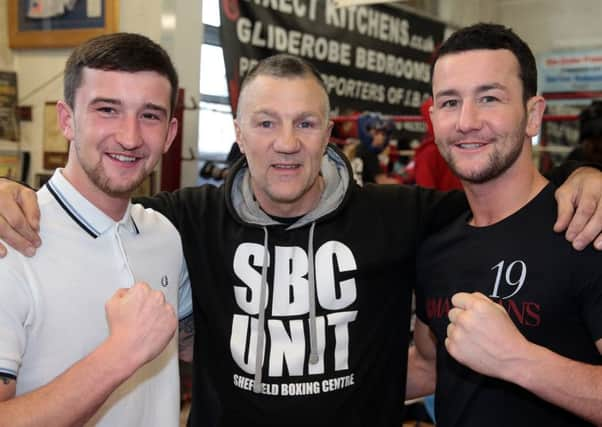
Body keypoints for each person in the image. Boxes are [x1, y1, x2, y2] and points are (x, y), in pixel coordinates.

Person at [0, 54, 601, 427]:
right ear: (238, 133)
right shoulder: (183, 218)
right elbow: (101, 198)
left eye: (305, 123)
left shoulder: (402, 215)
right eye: (265, 123)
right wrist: (13, 189)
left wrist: (586, 178)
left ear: (328, 134)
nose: (286, 142)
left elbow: (501, 200)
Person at [408, 23, 602, 427]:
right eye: (449, 102)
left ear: (533, 115)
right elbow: (428, 366)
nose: (466, 120)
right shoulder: (435, 243)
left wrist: (518, 360)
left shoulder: (586, 225)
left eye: (489, 97)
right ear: (432, 118)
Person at [0, 33, 193, 426]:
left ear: (171, 134)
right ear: (67, 120)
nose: (130, 137)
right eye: (107, 109)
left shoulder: (165, 237)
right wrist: (119, 354)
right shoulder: (12, 240)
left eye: (150, 115)